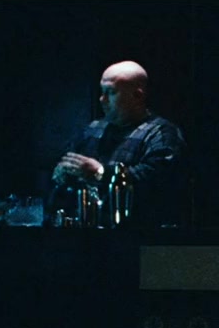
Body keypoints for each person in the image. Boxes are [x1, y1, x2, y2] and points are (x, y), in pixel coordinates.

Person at [48, 60, 187, 227]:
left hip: (138, 234)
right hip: (88, 231)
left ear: (137, 96)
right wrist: (63, 172)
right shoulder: (92, 130)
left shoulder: (161, 133)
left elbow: (156, 179)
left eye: (111, 92)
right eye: (102, 92)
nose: (102, 99)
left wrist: (101, 173)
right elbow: (66, 170)